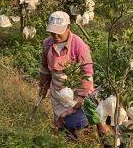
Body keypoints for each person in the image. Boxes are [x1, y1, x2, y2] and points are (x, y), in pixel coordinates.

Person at [39, 11, 110, 139]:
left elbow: (87, 74)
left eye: (58, 31)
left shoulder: (79, 46)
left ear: (68, 28)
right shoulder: (47, 44)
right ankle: (69, 136)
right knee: (61, 124)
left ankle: (90, 129)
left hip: (75, 91)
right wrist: (43, 86)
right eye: (52, 31)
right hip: (57, 90)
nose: (55, 34)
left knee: (75, 122)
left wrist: (81, 98)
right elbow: (45, 68)